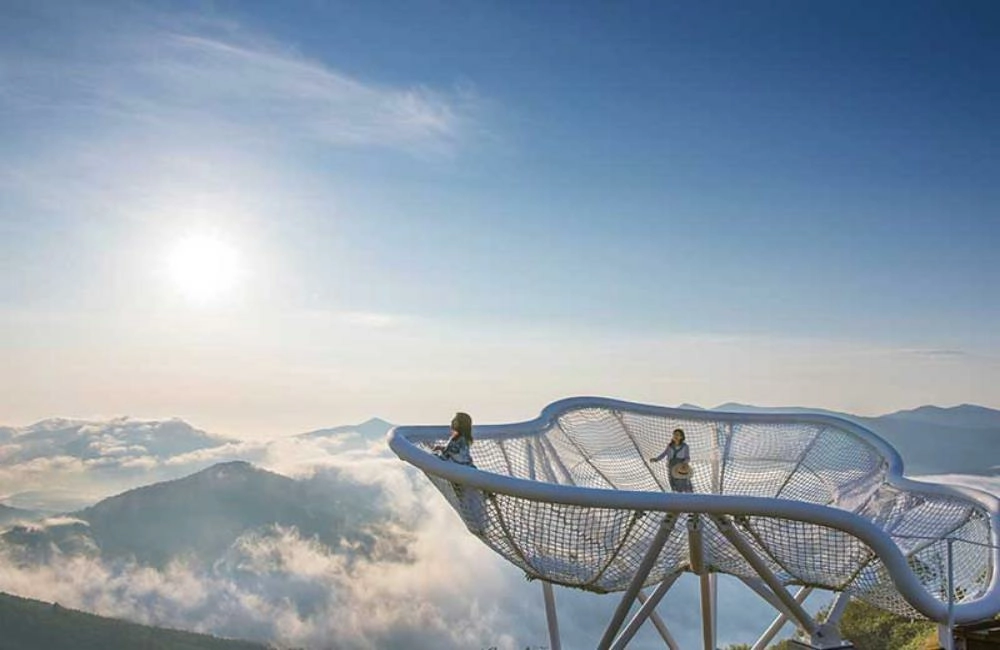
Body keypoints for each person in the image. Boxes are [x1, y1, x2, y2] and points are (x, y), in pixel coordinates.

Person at [650, 428, 693, 492]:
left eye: (678, 435)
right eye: (674, 434)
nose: (675, 436)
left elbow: (687, 458)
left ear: (681, 437)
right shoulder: (670, 446)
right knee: (673, 483)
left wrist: (683, 463)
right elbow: (664, 454)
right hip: (671, 466)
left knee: (683, 483)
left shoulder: (685, 446)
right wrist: (656, 459)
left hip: (680, 467)